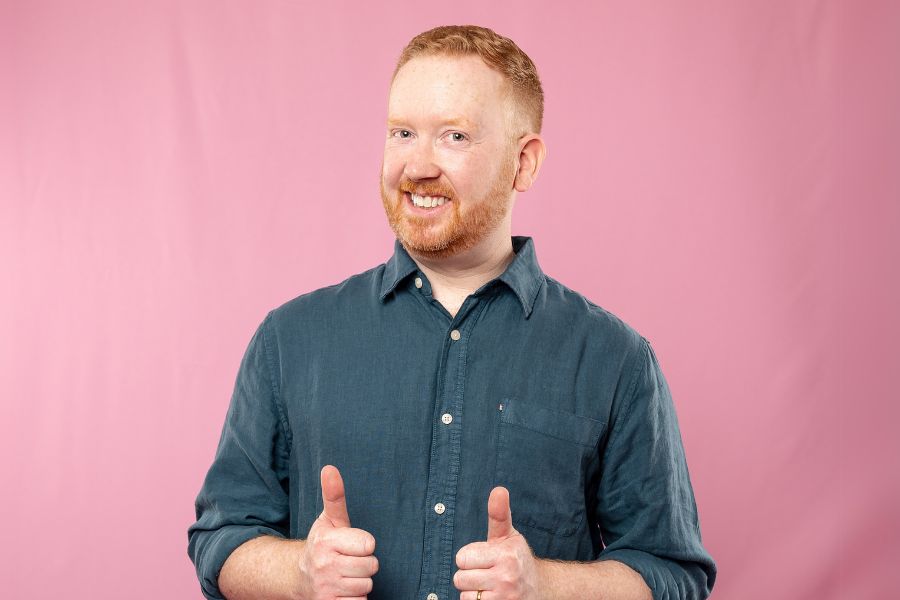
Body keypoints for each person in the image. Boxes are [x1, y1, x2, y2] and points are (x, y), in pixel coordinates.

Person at [188, 25, 716, 600]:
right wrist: (297, 573)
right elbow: (221, 539)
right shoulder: (289, 340)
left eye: (455, 136)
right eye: (402, 132)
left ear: (525, 164)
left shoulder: (616, 360)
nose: (416, 166)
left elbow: (674, 574)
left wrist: (545, 586)